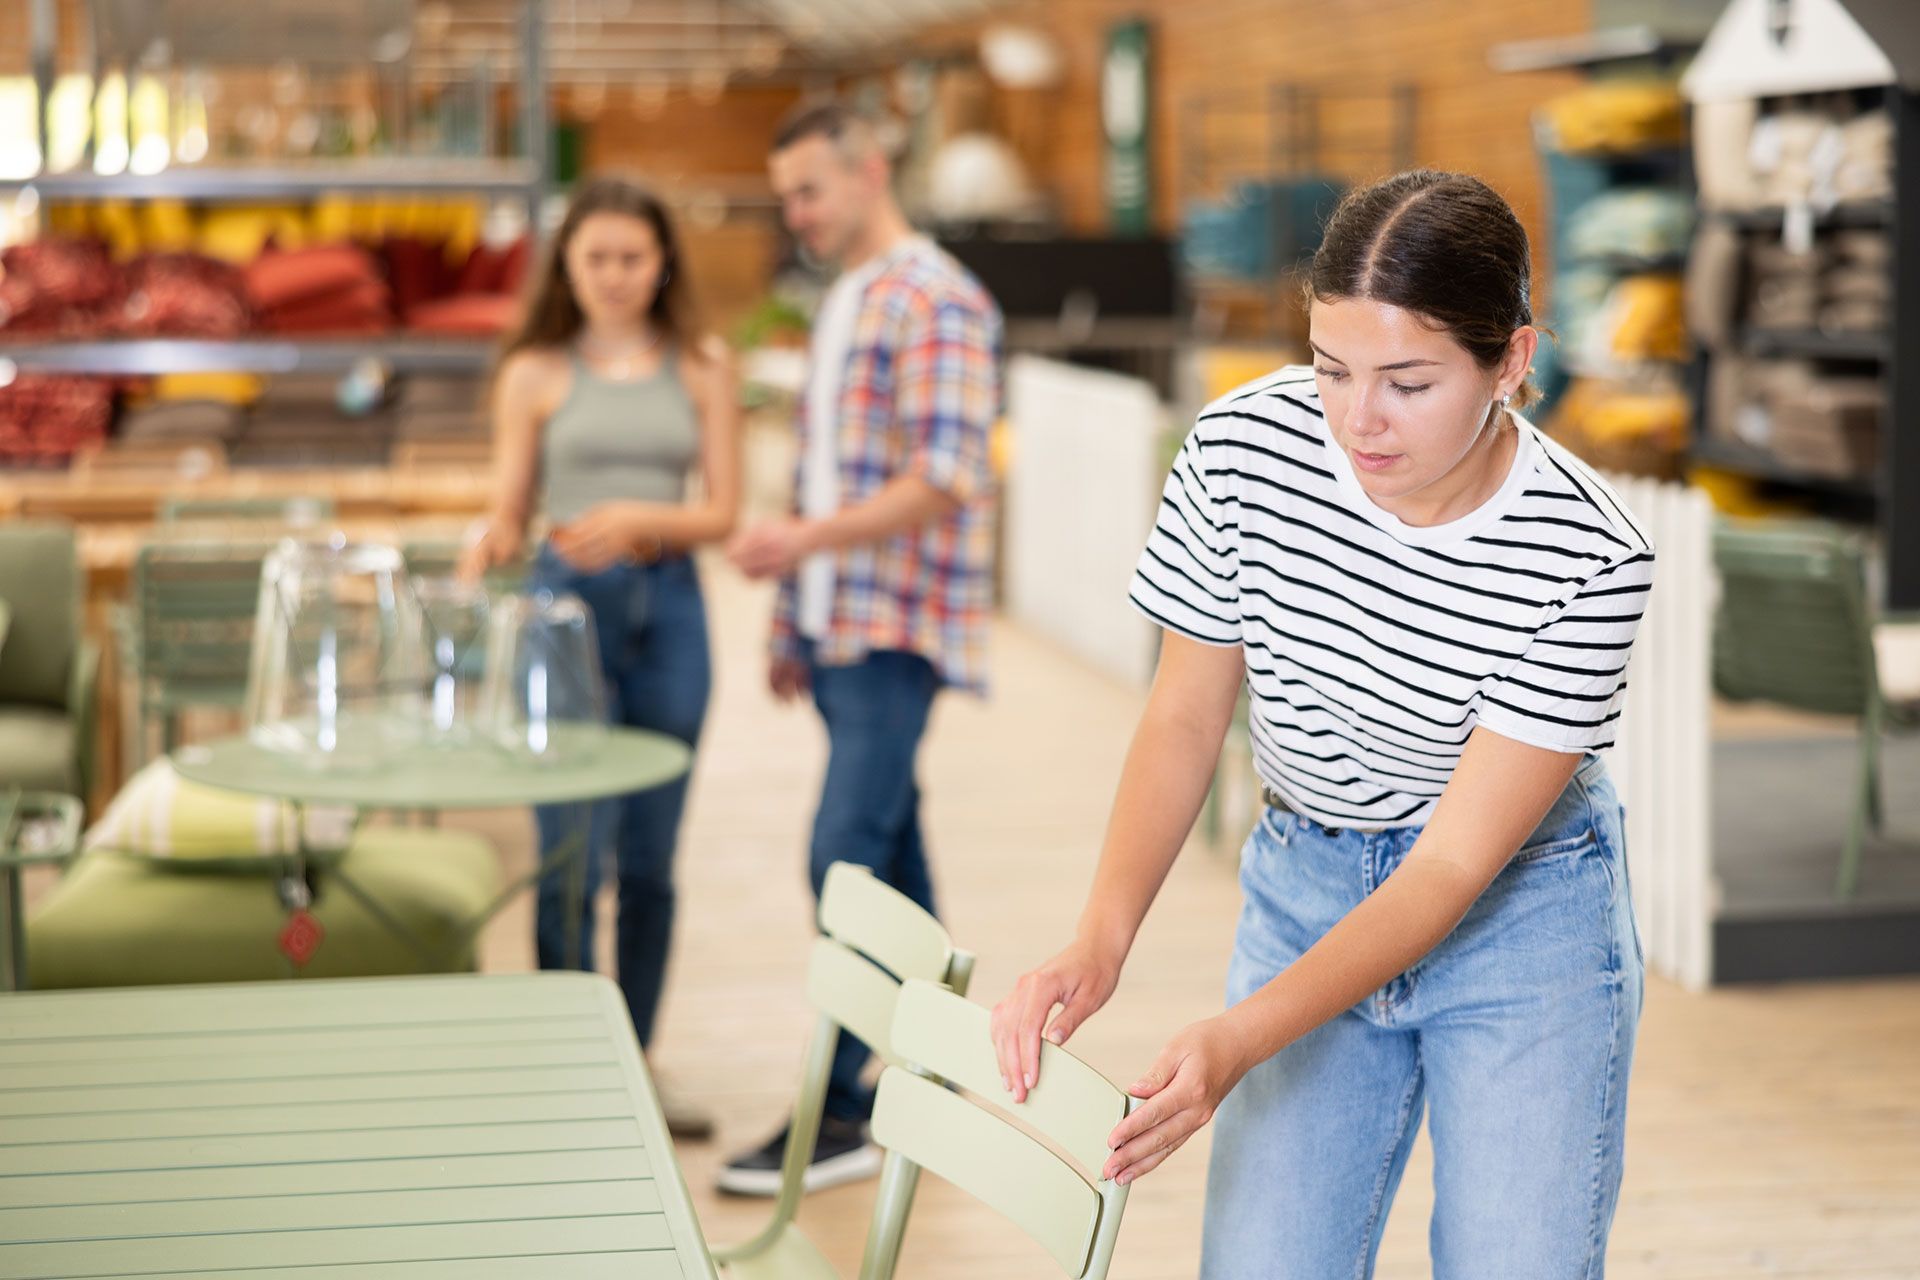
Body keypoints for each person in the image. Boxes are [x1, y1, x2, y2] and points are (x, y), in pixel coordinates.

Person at [992, 170, 1653, 1278]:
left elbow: (1447, 867)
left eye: (1408, 380)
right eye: (1331, 366)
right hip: (1306, 881)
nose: (1357, 419)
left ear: (1514, 362)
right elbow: (1187, 713)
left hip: (1522, 914)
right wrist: (1101, 937)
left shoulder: (1588, 551)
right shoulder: (1242, 450)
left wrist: (1239, 1038)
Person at [720, 102, 1002, 1195]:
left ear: (869, 169)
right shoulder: (845, 300)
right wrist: (793, 614)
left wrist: (801, 546)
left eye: (809, 190)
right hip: (840, 622)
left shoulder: (936, 299)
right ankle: (931, 1070)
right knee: (893, 855)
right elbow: (821, 471)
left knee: (839, 854)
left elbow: (944, 475)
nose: (796, 213)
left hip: (898, 626)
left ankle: (843, 1101)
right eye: (785, 194)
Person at [461, 175, 741, 1139]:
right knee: (568, 854)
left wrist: (636, 520)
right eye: (596, 259)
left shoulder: (703, 364)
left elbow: (723, 512)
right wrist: (491, 536)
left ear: (663, 262)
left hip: (669, 609)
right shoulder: (533, 372)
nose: (616, 276)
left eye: (633, 257)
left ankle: (637, 1060)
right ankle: (564, 1063)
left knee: (652, 859)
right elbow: (510, 504)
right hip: (558, 608)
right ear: (567, 268)